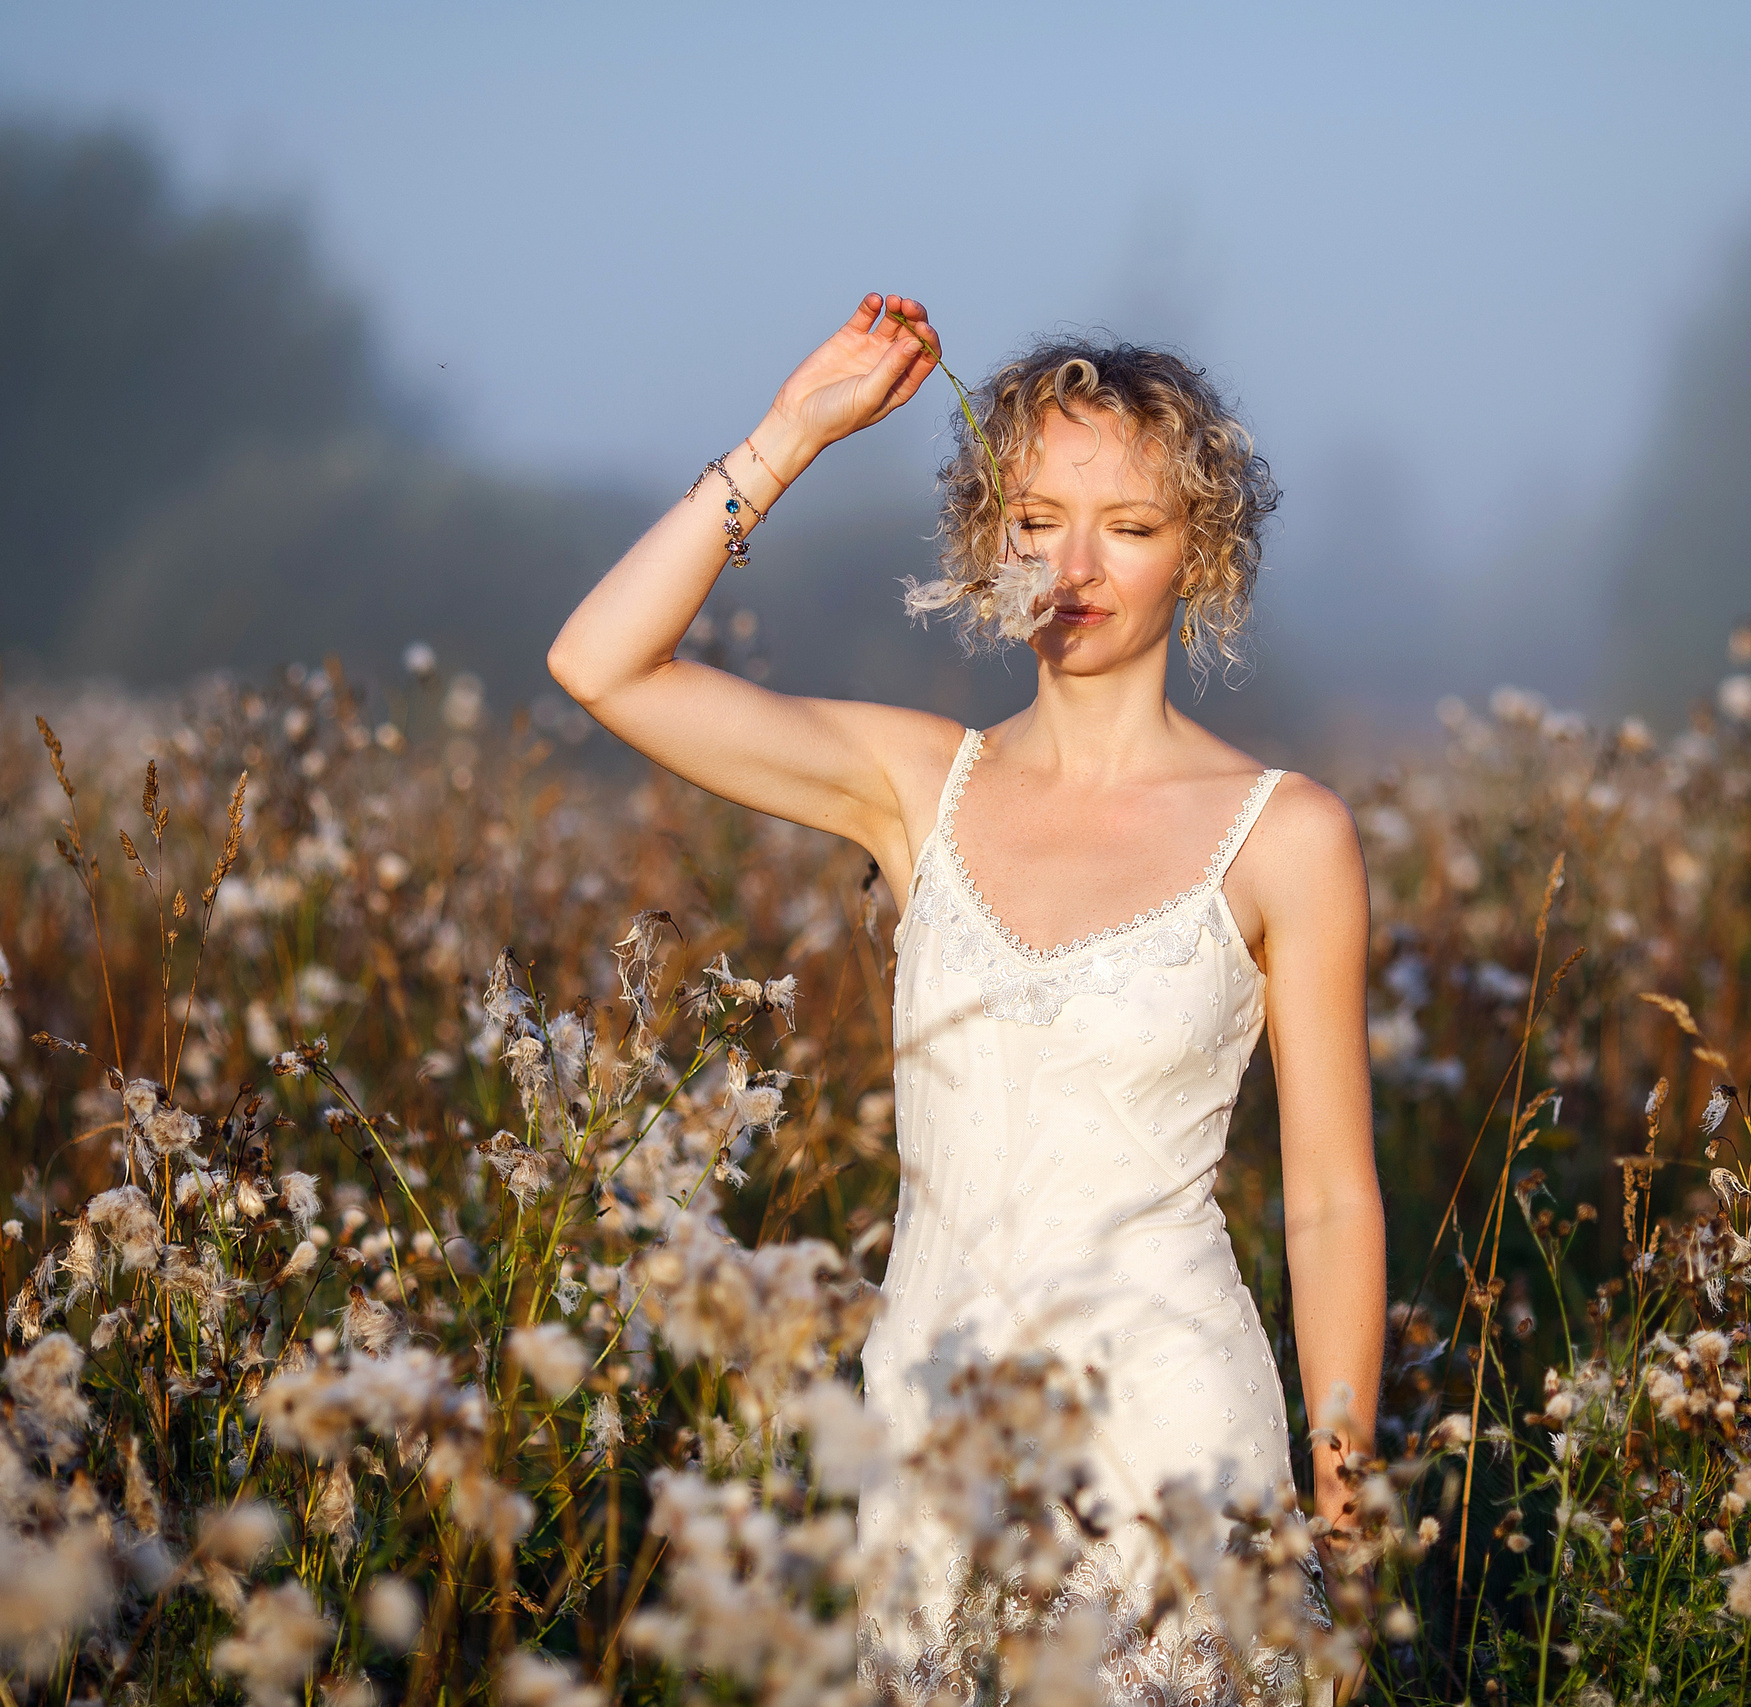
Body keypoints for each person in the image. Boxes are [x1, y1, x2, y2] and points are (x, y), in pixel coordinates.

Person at [549, 294, 1385, 1702]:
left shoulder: (1288, 836)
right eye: (1038, 517)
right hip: (929, 1439)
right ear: (989, 539)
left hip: (1176, 1446)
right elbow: (600, 663)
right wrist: (794, 430)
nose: (1077, 561)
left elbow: (1328, 1202)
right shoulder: (914, 785)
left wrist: (1349, 1533)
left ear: (1203, 553)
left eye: (1129, 524)